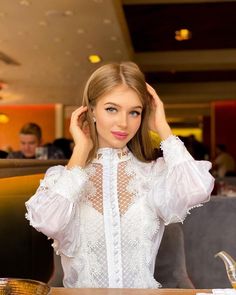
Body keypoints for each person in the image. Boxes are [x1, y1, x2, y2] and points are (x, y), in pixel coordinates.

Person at [25, 62, 214, 288]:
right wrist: (81, 151)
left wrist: (162, 127)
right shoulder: (62, 179)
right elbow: (47, 221)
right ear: (92, 110)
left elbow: (197, 189)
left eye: (134, 112)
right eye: (112, 109)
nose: (123, 123)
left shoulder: (154, 174)